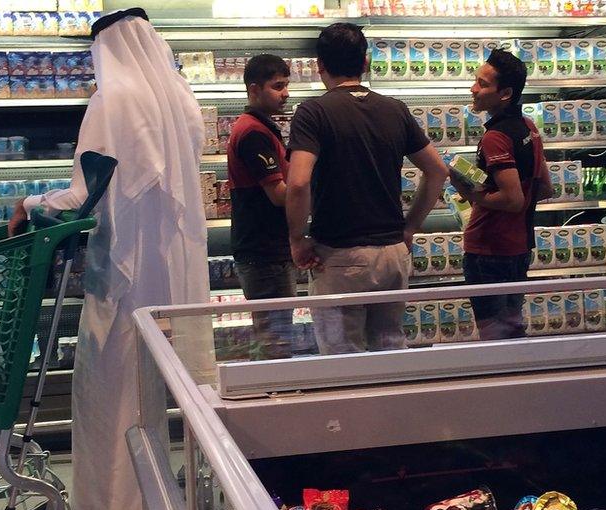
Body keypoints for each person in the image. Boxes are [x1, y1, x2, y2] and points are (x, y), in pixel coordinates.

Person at [8, 8, 209, 510]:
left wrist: (28, 204)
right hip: (177, 277)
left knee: (115, 405)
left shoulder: (111, 102)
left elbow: (82, 195)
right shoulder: (183, 101)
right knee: (168, 405)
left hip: (123, 279)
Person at [285, 23, 449, 354]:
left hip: (341, 257)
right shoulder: (395, 109)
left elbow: (299, 181)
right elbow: (437, 171)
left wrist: (296, 239)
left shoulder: (313, 112)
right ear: (365, 63)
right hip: (392, 255)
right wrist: (411, 226)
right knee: (390, 355)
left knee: (344, 366)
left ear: (320, 66)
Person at [450, 48, 553, 340]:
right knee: (513, 325)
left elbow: (512, 199)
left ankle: (502, 382)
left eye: (482, 84)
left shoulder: (495, 137)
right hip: (519, 246)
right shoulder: (529, 128)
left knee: (493, 332)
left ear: (505, 93)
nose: (474, 89)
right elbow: (545, 187)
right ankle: (521, 380)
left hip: (489, 249)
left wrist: (474, 195)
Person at [227, 54, 296, 359]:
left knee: (274, 336)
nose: (286, 93)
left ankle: (275, 393)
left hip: (265, 249)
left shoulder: (260, 127)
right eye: (277, 86)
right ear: (254, 89)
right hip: (264, 252)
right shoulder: (253, 132)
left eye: (286, 85)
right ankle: (275, 397)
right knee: (275, 340)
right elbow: (279, 194)